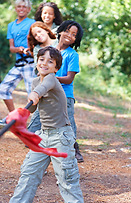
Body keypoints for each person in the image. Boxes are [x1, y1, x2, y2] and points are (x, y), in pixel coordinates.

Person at [0, 46, 85, 203]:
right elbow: (34, 108)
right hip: (43, 137)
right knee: (29, 173)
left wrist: (34, 94)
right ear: (36, 61)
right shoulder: (36, 80)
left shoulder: (51, 79)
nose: (44, 63)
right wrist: (19, 115)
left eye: (50, 61)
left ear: (56, 67)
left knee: (67, 178)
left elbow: (41, 90)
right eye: (42, 59)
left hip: (61, 136)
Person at [28, 20, 84, 162]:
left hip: (64, 95)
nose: (69, 35)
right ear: (60, 31)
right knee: (36, 121)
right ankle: (39, 151)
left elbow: (69, 78)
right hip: (45, 93)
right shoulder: (49, 50)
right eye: (67, 31)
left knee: (67, 122)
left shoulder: (72, 55)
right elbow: (39, 69)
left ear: (76, 39)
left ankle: (72, 148)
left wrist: (52, 79)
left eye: (74, 34)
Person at [0, 0, 36, 126]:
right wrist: (20, 49)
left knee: (33, 95)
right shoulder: (11, 26)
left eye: (24, 7)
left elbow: (37, 42)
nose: (21, 9)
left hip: (30, 63)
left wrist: (30, 50)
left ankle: (35, 123)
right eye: (19, 6)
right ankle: (14, 117)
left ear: (29, 9)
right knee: (3, 89)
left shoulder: (33, 23)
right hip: (19, 64)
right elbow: (11, 48)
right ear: (15, 8)